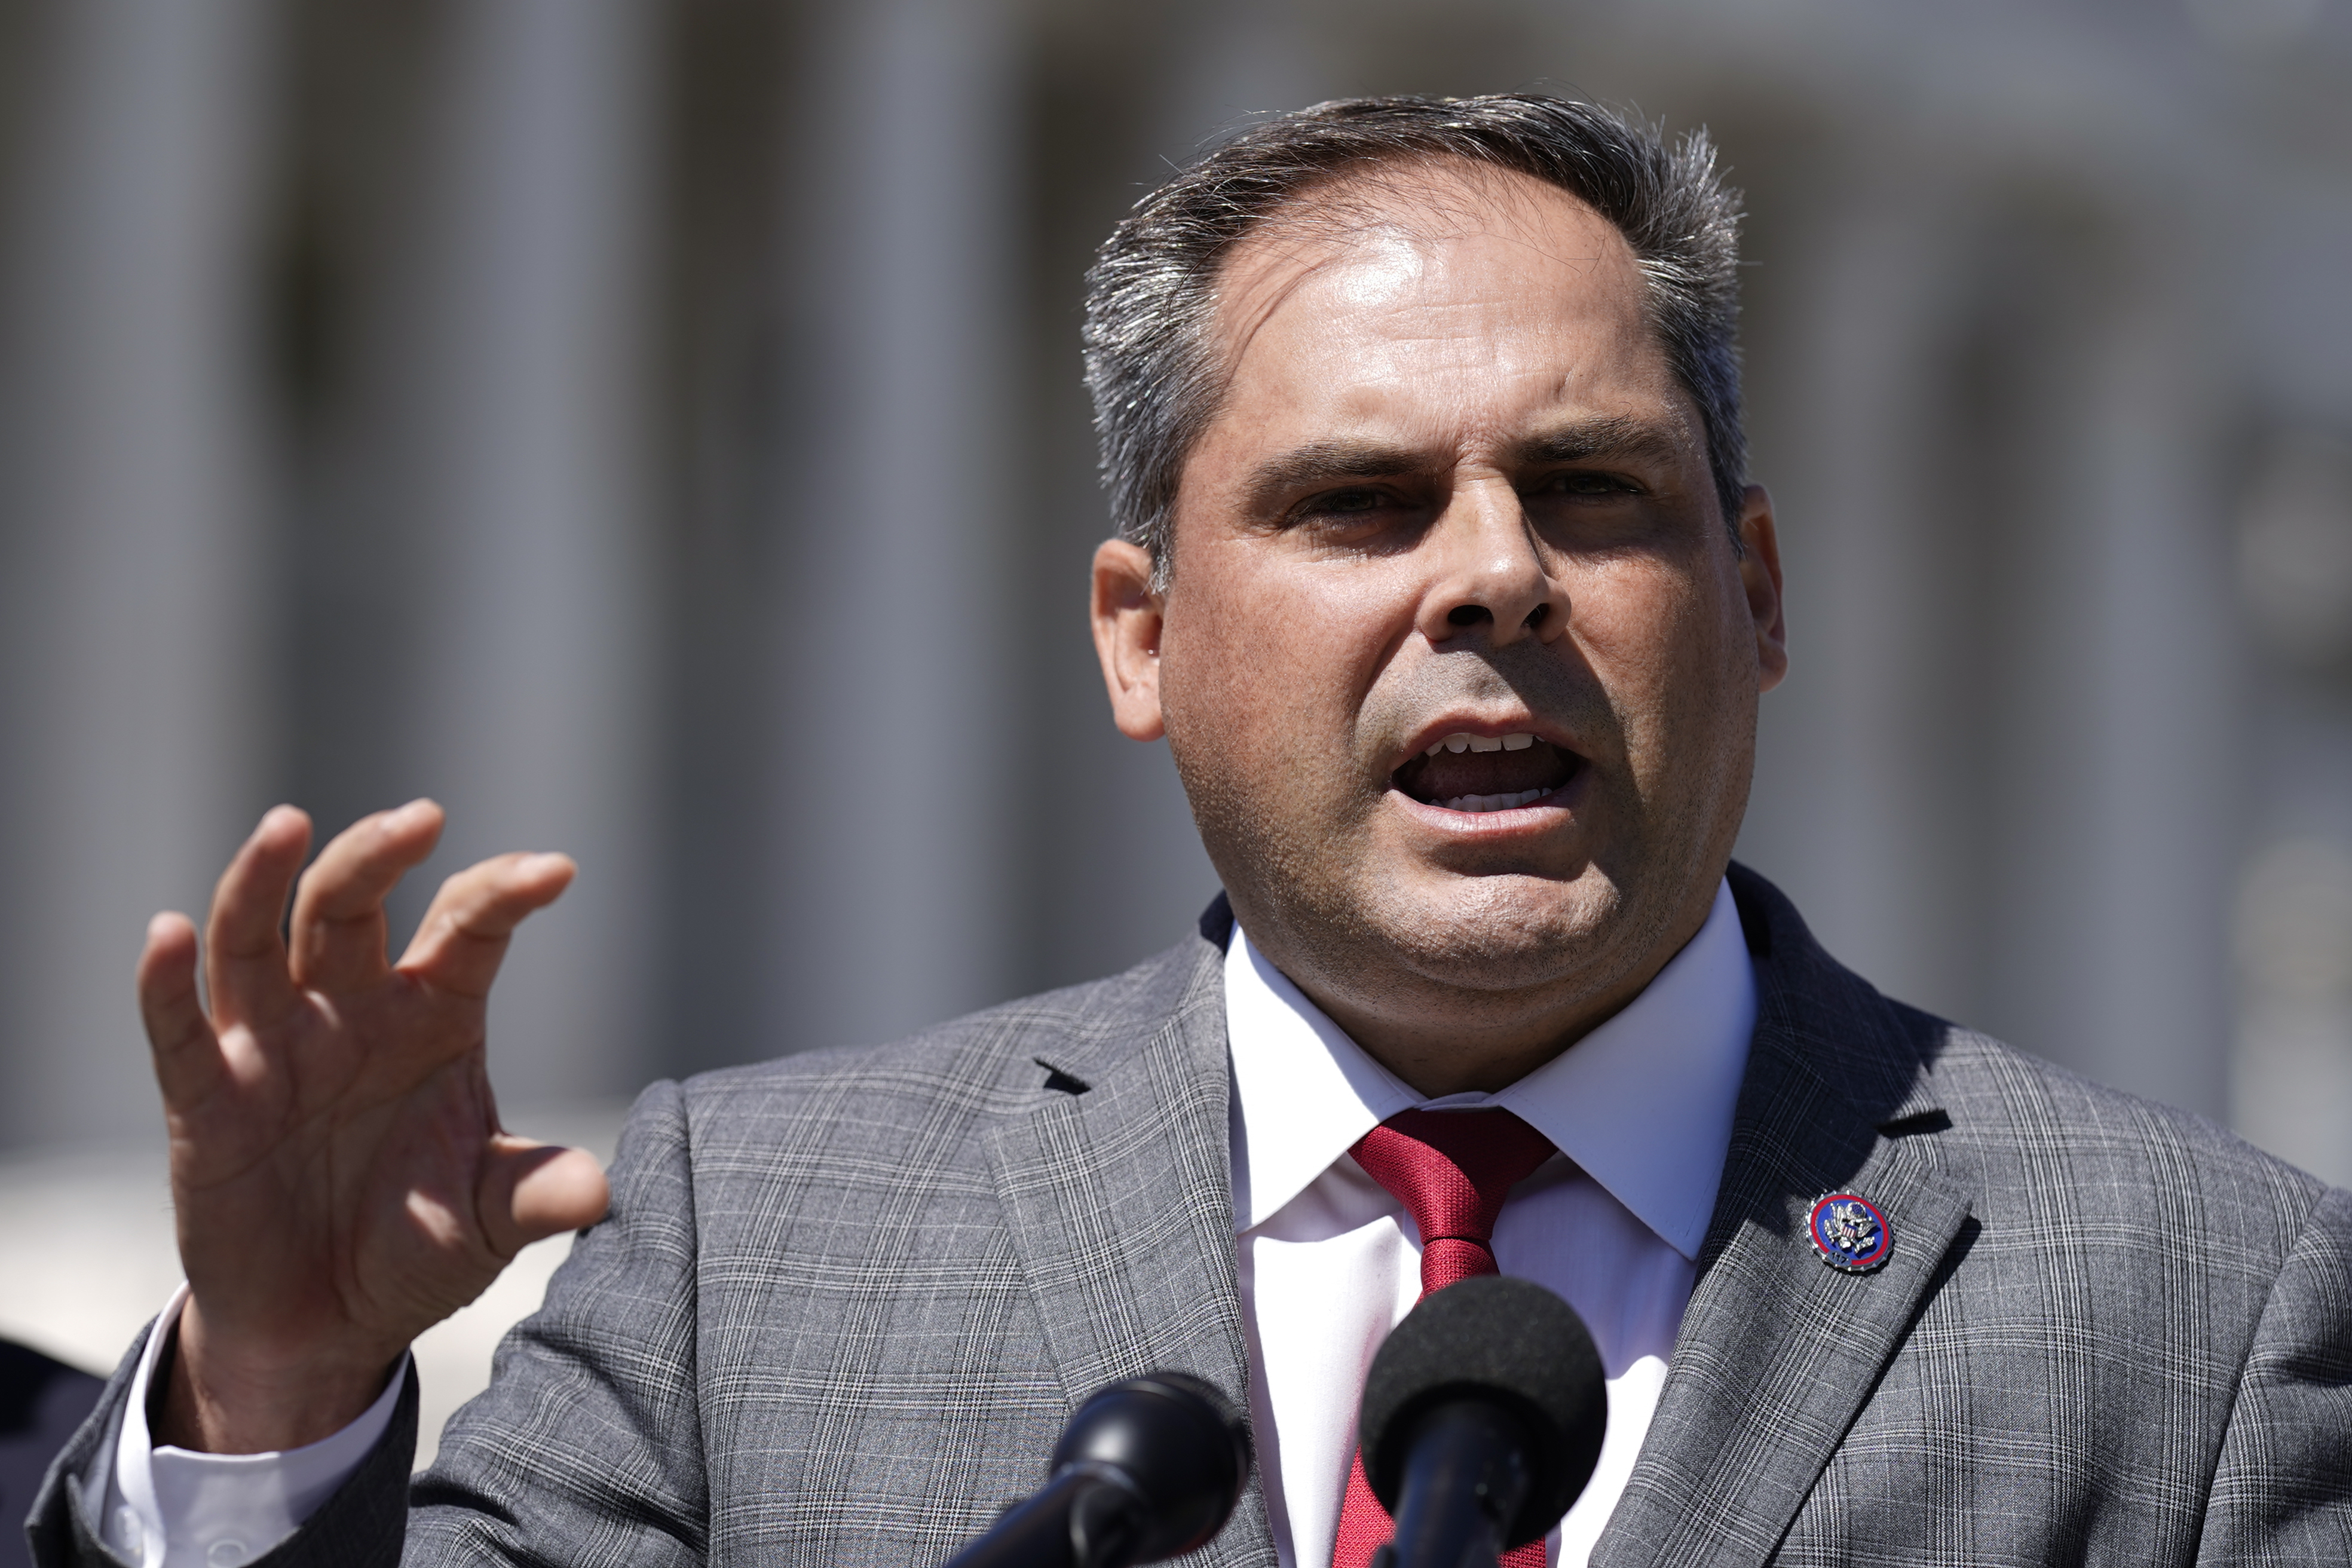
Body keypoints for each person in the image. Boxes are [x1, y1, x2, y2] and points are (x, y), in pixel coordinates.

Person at [27, 94, 2352, 1568]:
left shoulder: (2205, 1308)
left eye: (1594, 494)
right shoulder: (764, 1246)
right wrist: (278, 1400)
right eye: (1358, 500)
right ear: (1140, 635)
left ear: (1754, 593)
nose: (1494, 578)